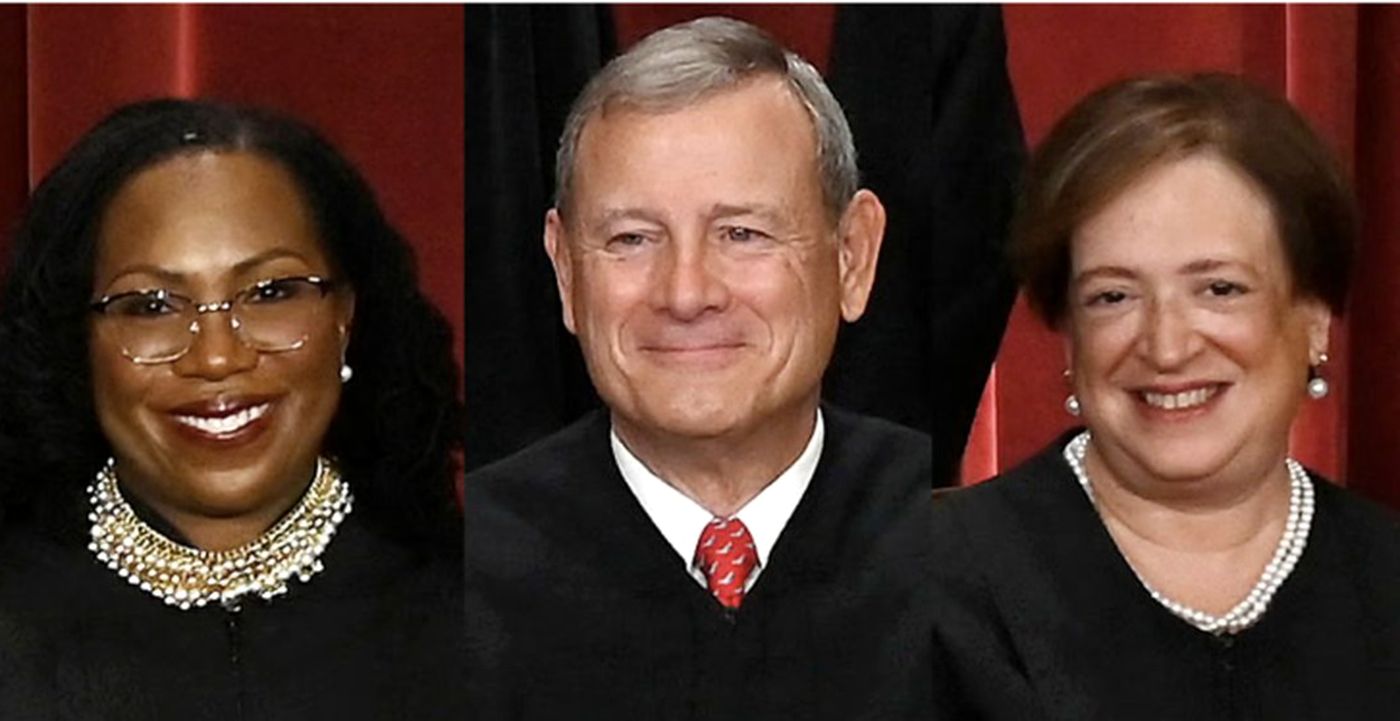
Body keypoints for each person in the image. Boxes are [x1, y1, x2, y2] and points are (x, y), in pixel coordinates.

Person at [465, 17, 936, 720]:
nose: (685, 294)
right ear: (565, 271)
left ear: (852, 256)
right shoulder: (458, 571)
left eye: (742, 233)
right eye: (632, 239)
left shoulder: (968, 555)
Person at [928, 74, 1400, 719]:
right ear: (1069, 334)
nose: (1167, 347)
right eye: (1113, 297)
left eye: (1220, 289)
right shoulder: (925, 585)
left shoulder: (1385, 578)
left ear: (1313, 319)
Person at [0, 99, 464, 720]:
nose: (217, 357)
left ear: (345, 318)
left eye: (271, 293)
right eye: (152, 306)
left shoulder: (479, 613)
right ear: (77, 340)